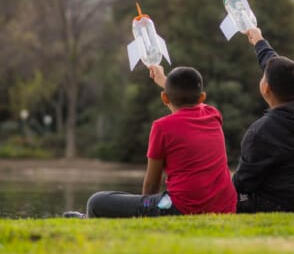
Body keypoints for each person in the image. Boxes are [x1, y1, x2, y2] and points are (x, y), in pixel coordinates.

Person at [64, 65, 237, 218]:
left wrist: (144, 209)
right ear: (202, 98)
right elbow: (189, 98)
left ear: (164, 98)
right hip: (224, 207)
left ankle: (88, 218)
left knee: (96, 201)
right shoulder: (213, 114)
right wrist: (163, 80)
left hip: (179, 208)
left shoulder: (162, 127)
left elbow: (152, 183)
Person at [233, 27, 294, 214]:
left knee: (227, 195)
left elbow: (244, 182)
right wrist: (259, 41)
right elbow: (278, 68)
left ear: (266, 88)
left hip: (281, 204)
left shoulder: (260, 132)